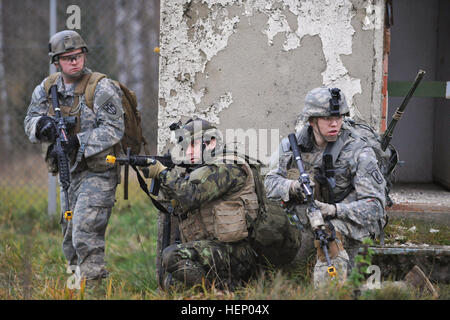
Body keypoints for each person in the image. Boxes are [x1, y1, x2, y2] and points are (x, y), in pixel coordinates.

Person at [145, 118, 300, 290]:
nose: (188, 152)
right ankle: (223, 286)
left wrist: (162, 173)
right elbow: (180, 203)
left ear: (211, 142)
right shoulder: (204, 170)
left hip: (241, 253)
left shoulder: (226, 167)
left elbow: (189, 195)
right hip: (218, 249)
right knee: (174, 280)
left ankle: (223, 291)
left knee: (172, 257)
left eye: (193, 145)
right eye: (185, 147)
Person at [24, 30, 124, 286]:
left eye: (78, 56)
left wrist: (79, 140)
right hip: (68, 173)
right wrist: (42, 126)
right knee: (69, 236)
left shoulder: (100, 88)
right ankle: (75, 287)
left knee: (84, 232)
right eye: (67, 58)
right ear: (56, 61)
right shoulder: (47, 89)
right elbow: (29, 122)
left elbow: (114, 128)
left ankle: (94, 290)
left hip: (98, 171)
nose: (74, 62)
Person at [264, 87, 388, 287]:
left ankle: (330, 292)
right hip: (306, 223)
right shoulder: (292, 146)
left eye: (338, 117)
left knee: (331, 240)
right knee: (290, 278)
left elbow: (375, 206)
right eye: (327, 118)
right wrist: (294, 186)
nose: (335, 124)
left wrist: (335, 209)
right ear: (312, 120)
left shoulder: (358, 150)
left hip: (349, 223)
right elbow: (269, 184)